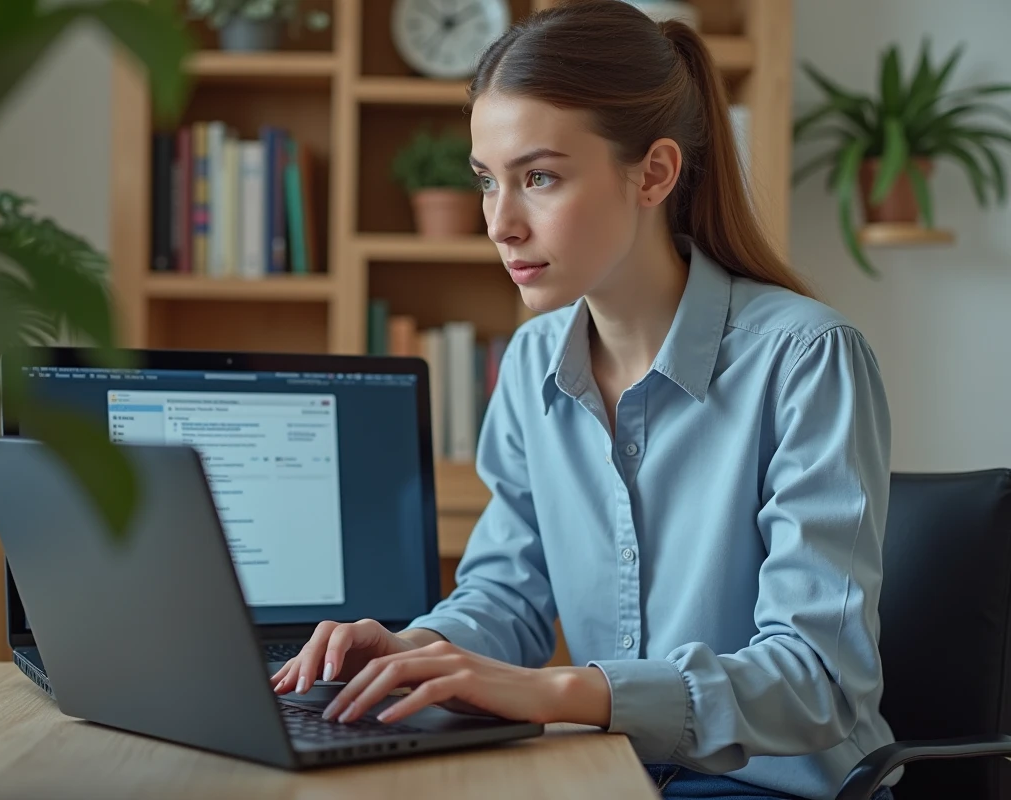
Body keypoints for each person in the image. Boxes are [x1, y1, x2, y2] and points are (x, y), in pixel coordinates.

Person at [271, 2, 898, 798]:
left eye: (539, 178)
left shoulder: (808, 360)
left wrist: (565, 693)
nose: (500, 224)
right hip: (607, 771)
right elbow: (507, 599)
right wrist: (413, 648)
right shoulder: (533, 360)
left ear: (655, 173)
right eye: (487, 181)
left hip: (774, 786)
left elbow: (817, 681)